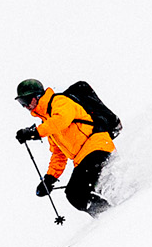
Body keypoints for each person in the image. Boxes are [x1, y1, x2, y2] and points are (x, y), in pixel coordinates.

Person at [14, 78, 113, 216]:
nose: (25, 106)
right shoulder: (48, 121)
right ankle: (111, 213)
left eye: (25, 101)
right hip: (85, 156)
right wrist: (49, 179)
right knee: (80, 194)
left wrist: (34, 133)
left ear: (37, 96)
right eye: (21, 103)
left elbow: (62, 119)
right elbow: (58, 154)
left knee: (75, 193)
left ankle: (110, 215)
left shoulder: (59, 102)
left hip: (97, 147)